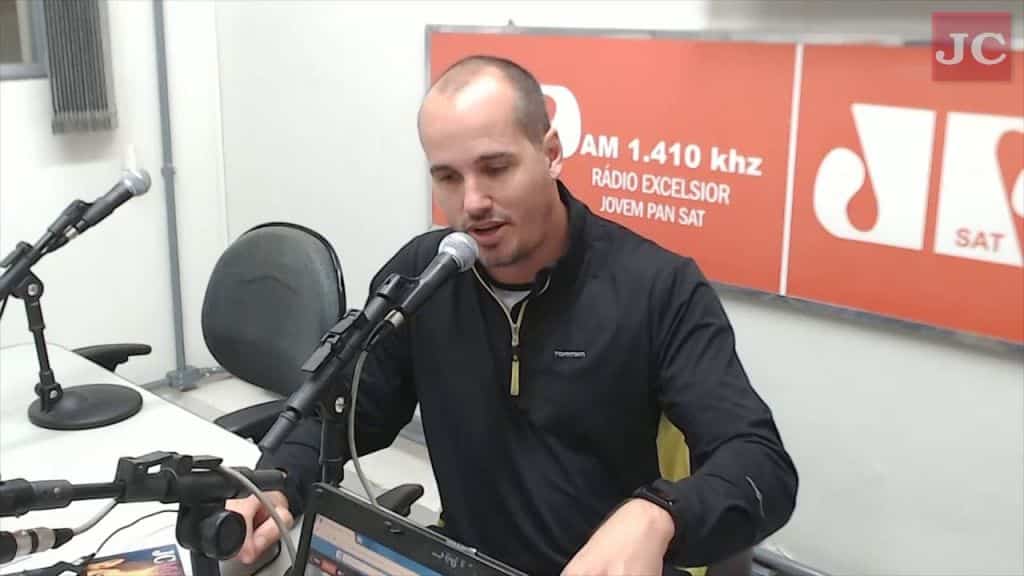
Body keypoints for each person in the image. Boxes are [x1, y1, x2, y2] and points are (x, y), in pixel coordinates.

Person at [227, 54, 798, 575]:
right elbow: (349, 411)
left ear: (551, 153)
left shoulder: (657, 287)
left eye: (495, 168)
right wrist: (279, 480)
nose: (472, 202)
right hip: (462, 560)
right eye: (448, 177)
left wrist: (659, 514)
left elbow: (760, 464)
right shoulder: (425, 275)